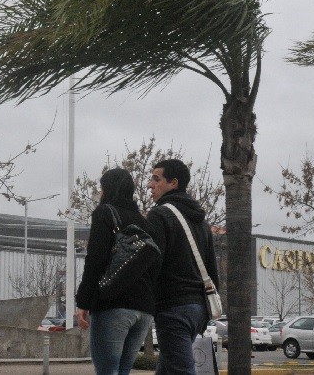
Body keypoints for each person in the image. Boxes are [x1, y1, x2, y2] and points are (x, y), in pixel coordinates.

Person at [75, 168, 158, 375]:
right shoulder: (145, 223)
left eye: (101, 188)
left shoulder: (105, 213)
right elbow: (155, 265)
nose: (100, 193)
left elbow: (95, 260)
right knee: (123, 371)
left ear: (108, 189)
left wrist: (83, 302)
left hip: (113, 305)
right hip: (144, 310)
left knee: (107, 371)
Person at [146, 159, 219, 375]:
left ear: (173, 183)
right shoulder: (200, 221)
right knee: (167, 368)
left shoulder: (159, 215)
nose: (150, 185)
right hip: (199, 308)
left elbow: (152, 263)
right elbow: (211, 265)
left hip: (173, 307)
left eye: (156, 179)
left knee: (181, 371)